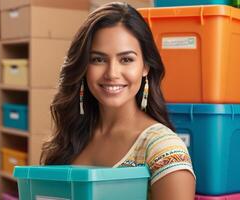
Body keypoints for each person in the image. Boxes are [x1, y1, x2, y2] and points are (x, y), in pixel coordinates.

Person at [40, 2, 195, 199]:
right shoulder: (71, 136)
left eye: (126, 59)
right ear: (83, 67)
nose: (112, 74)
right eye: (98, 59)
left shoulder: (163, 149)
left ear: (145, 66)